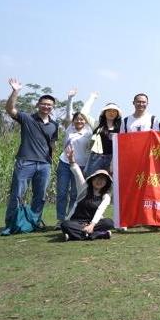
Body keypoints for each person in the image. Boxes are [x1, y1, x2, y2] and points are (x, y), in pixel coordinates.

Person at [1, 78, 60, 236]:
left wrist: (52, 160)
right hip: (25, 162)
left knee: (40, 196)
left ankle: (34, 223)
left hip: (44, 165)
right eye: (44, 104)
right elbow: (10, 109)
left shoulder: (54, 125)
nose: (46, 107)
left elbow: (52, 144)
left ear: (53, 107)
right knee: (17, 194)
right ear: (38, 105)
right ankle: (11, 225)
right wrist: (15, 91)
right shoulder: (27, 118)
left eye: (49, 105)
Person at [55, 89, 98, 228]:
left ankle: (70, 218)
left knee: (75, 193)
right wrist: (70, 98)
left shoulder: (89, 131)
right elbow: (69, 113)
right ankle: (60, 219)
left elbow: (86, 110)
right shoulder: (69, 128)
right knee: (62, 192)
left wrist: (92, 98)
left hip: (80, 165)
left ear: (85, 120)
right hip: (65, 163)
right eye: (77, 119)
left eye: (82, 119)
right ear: (73, 120)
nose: (79, 121)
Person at [60, 146, 114, 241]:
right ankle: (97, 234)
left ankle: (75, 235)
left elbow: (100, 210)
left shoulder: (106, 196)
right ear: (92, 179)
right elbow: (77, 174)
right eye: (97, 178)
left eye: (102, 180)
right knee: (65, 224)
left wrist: (92, 225)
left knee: (109, 222)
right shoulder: (84, 188)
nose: (99, 181)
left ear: (106, 183)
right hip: (77, 222)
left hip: (93, 222)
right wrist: (72, 161)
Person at [85, 102, 122, 176]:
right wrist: (93, 97)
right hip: (96, 158)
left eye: (114, 111)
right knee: (92, 179)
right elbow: (83, 113)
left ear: (117, 114)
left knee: (110, 181)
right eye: (109, 111)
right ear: (104, 113)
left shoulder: (121, 127)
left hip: (113, 159)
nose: (111, 113)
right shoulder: (97, 124)